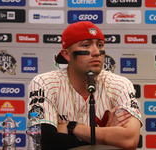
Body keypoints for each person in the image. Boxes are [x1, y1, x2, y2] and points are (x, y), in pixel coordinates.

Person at [27, 21, 142, 150]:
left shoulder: (120, 85)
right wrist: (107, 135)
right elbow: (46, 141)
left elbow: (130, 140)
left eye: (100, 45)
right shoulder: (45, 83)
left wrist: (72, 127)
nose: (96, 52)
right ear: (66, 55)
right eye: (86, 45)